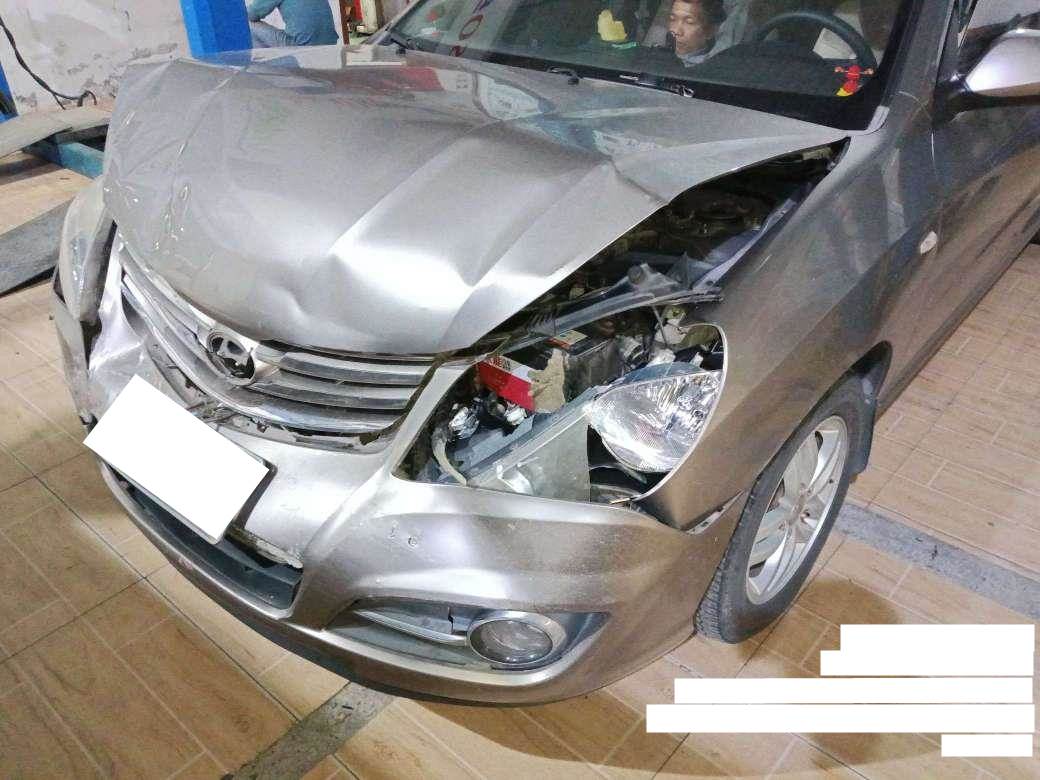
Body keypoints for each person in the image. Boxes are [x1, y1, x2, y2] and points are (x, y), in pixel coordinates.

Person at [247, 0, 339, 48]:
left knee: (249, 25)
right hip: (330, 45)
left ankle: (265, 71)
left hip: (301, 47)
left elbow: (252, 14)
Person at [667, 0, 726, 66]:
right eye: (672, 19)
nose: (676, 31)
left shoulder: (708, 67)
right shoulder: (661, 54)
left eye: (689, 22)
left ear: (710, 30)